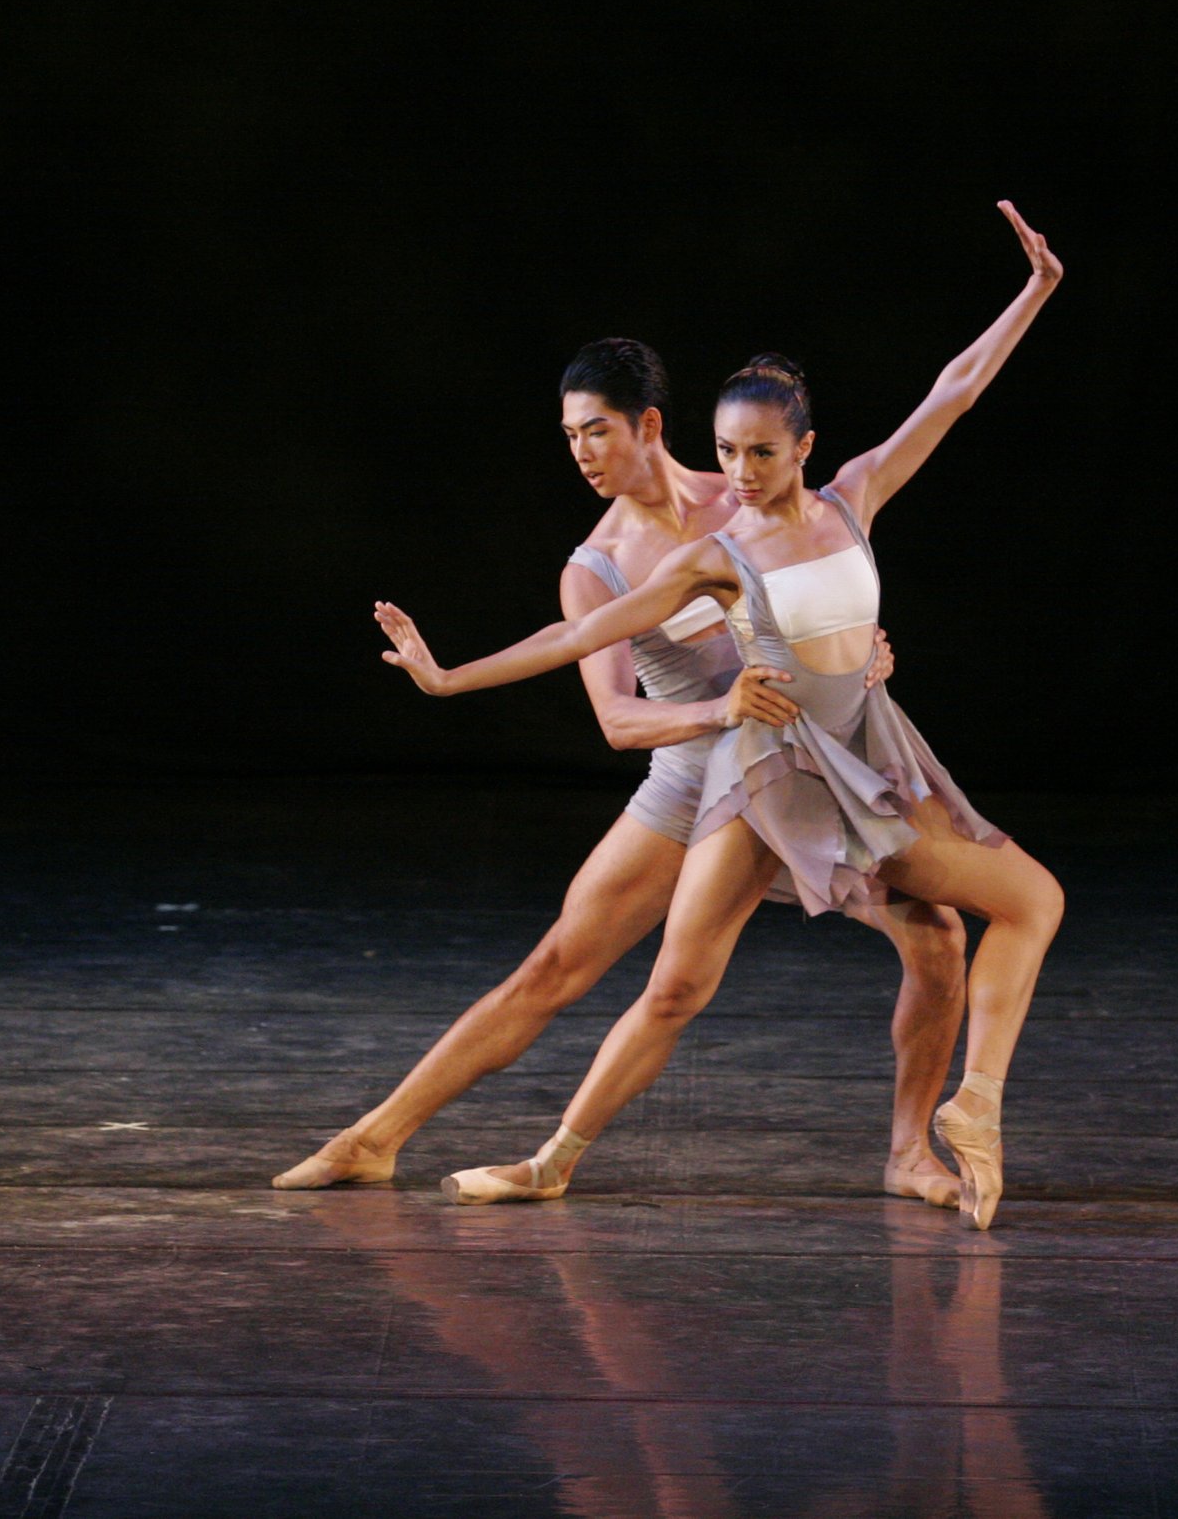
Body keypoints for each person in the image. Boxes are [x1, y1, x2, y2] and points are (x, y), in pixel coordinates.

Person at [372, 201, 1066, 1228]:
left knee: (994, 914)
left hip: (859, 760)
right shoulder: (714, 555)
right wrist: (446, 676)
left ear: (803, 448)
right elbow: (575, 638)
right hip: (768, 777)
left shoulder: (853, 495)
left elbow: (951, 392)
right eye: (727, 454)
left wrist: (1035, 291)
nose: (737, 476)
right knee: (675, 987)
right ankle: (552, 1157)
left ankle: (960, 1114)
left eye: (759, 456)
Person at [274, 338, 970, 1207]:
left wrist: (860, 648)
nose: (580, 454)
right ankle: (371, 1138)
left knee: (938, 938)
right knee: (559, 966)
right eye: (569, 437)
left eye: (595, 431)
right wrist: (714, 712)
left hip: (806, 768)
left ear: (648, 424)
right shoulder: (595, 566)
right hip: (691, 777)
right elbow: (616, 719)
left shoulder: (749, 483)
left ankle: (909, 1150)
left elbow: (838, 565)